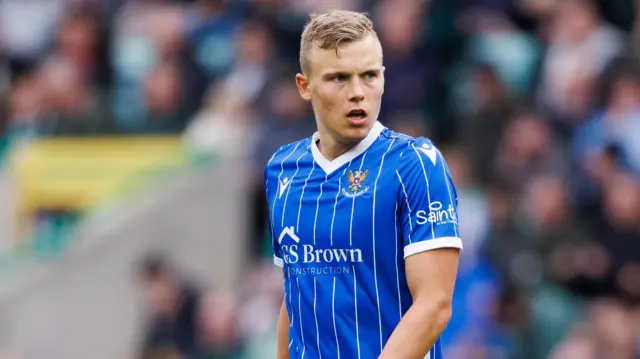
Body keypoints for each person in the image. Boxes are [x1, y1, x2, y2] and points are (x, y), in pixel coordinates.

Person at [264, 10, 462, 359]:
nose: (358, 92)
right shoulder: (283, 170)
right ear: (305, 86)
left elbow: (435, 304)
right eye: (339, 78)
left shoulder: (415, 164)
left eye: (369, 75)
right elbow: (294, 298)